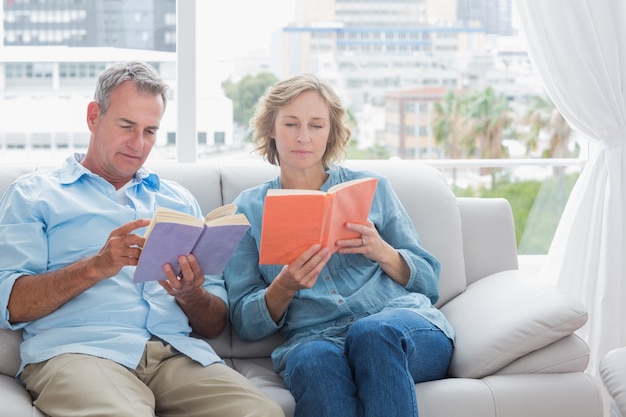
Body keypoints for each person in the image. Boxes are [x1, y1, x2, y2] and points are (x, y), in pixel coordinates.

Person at [0, 61, 283, 417]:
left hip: (175, 355)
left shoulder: (179, 201)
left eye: (150, 131)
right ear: (93, 117)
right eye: (126, 126)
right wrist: (95, 267)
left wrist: (191, 294)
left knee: (261, 413)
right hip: (81, 352)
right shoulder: (34, 194)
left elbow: (213, 325)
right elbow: (11, 305)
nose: (138, 144)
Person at [224, 72, 455, 417]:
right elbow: (244, 323)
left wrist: (384, 252)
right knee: (312, 359)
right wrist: (283, 287)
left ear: (330, 131)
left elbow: (429, 281)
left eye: (316, 125)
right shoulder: (247, 209)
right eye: (291, 124)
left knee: (371, 334)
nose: (303, 137)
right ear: (271, 128)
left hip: (399, 327)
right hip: (315, 338)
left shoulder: (373, 187)